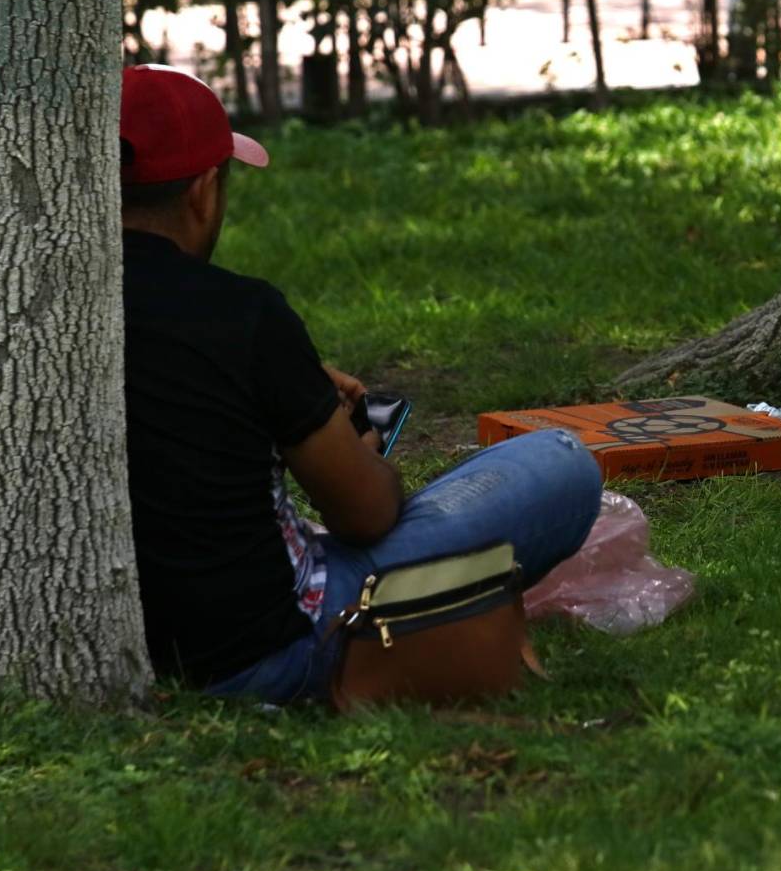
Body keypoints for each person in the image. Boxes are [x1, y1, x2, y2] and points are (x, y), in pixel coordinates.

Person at [117, 64, 602, 704]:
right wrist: (361, 456)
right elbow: (364, 516)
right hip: (280, 650)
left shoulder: (49, 315)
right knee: (561, 460)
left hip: (146, 643)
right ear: (205, 191)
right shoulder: (245, 315)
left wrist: (284, 395)